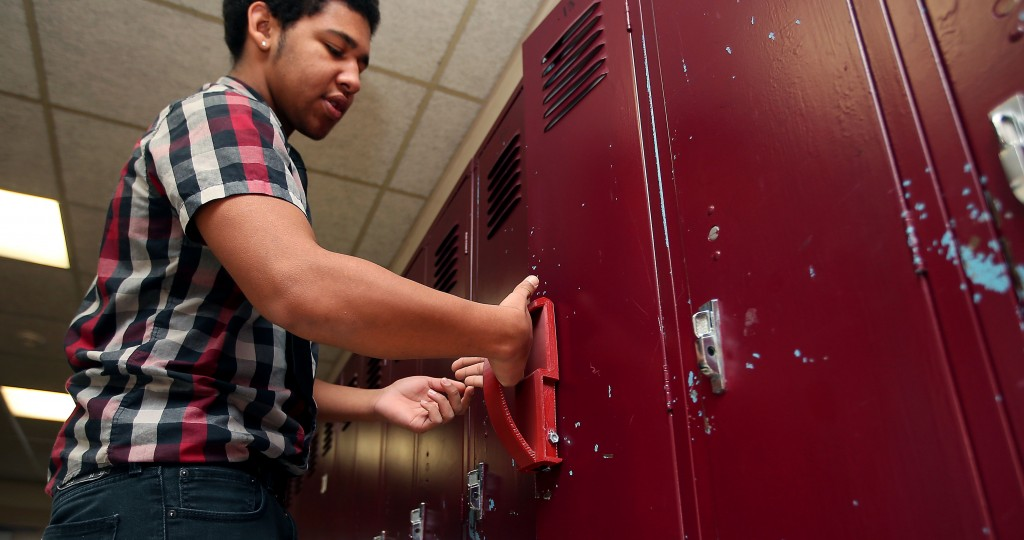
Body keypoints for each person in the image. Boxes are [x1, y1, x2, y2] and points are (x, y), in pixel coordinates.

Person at [43, 1, 537, 538]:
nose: (352, 78)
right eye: (335, 49)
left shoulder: (264, 154)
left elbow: (222, 366)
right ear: (263, 26)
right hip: (169, 486)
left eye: (362, 65)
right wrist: (501, 332)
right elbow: (300, 287)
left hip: (192, 489)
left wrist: (374, 400)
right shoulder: (223, 112)